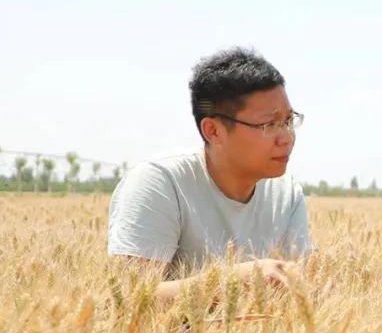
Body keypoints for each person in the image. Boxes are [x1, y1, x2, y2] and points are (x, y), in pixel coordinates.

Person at [108, 47, 312, 301]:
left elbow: (298, 292)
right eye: (269, 124)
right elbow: (128, 299)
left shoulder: (287, 193)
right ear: (213, 131)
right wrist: (229, 281)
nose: (286, 138)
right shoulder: (160, 182)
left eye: (289, 121)